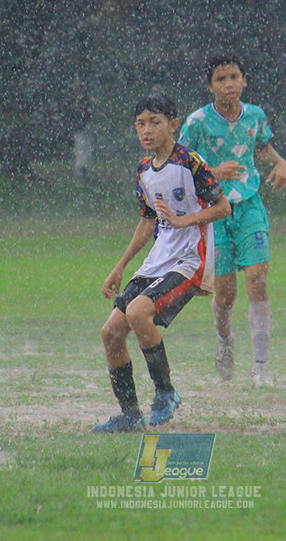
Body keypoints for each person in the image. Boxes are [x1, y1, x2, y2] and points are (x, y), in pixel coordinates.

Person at [94, 92, 231, 433]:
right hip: (158, 261)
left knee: (139, 312)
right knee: (111, 332)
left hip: (189, 260)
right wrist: (121, 265)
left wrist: (186, 221)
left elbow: (222, 207)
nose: (147, 130)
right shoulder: (143, 170)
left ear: (174, 125)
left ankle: (166, 393)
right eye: (140, 124)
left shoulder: (191, 162)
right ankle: (130, 415)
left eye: (155, 122)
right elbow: (147, 221)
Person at [179, 55, 286, 386]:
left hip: (249, 205)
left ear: (244, 81)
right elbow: (178, 166)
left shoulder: (254, 116)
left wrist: (280, 162)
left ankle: (261, 368)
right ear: (210, 86)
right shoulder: (197, 122)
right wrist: (213, 172)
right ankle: (225, 342)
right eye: (220, 79)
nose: (228, 84)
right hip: (215, 210)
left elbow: (262, 146)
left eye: (233, 77)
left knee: (257, 278)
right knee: (226, 295)